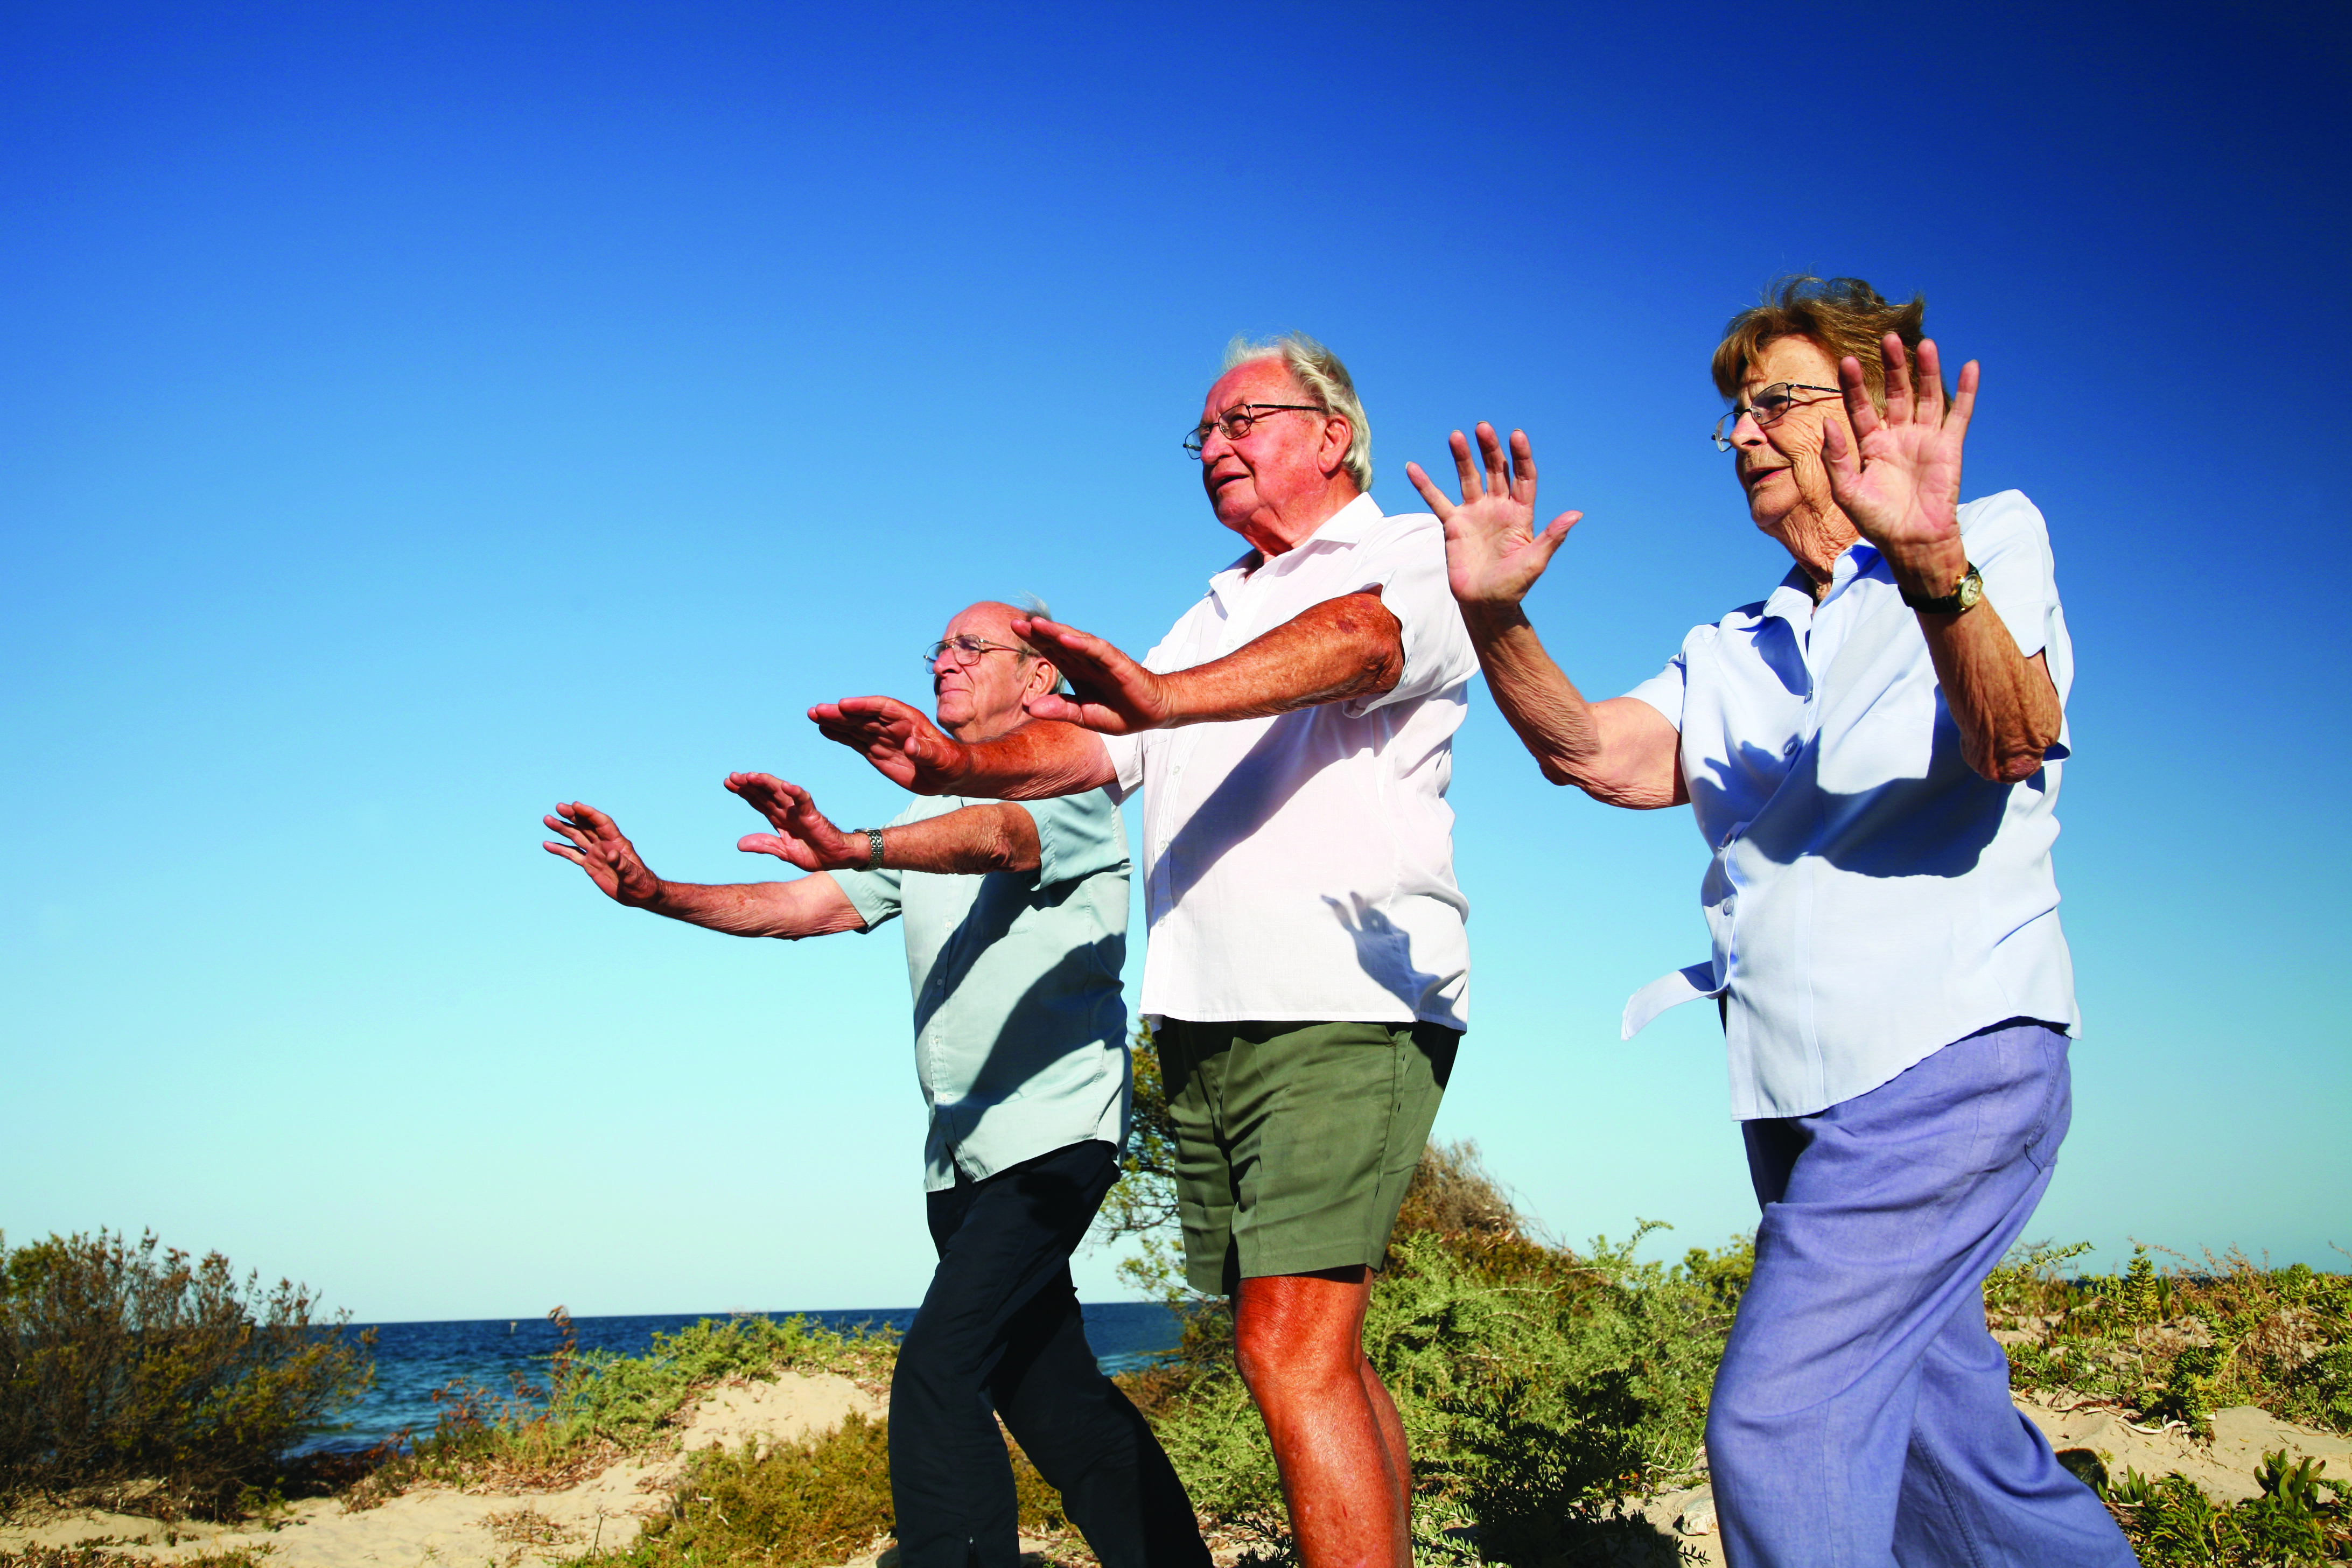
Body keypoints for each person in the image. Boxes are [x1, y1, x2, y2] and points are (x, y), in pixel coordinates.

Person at [1408, 277, 2134, 1565]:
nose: (1741, 436)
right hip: (1794, 1087)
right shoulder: (1733, 640)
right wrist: (1494, 616)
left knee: (1778, 1422)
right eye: (1733, 418)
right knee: (1942, 1445)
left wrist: (1931, 567)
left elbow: (2016, 736)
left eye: (1773, 405)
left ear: (1864, 400)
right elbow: (1594, 755)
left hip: (1951, 1049)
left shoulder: (1983, 535)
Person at [809, 334, 1477, 1568]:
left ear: (1334, 436)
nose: (1215, 446)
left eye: (1244, 421)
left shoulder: (1406, 553)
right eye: (1203, 434)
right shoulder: (1212, 607)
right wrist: (951, 760)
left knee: (1289, 1346)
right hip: (1210, 1017)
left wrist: (1164, 698)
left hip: (1344, 995)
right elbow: (1093, 749)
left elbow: (1361, 645)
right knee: (1309, 1346)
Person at [540, 599, 1209, 1568]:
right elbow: (802, 906)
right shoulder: (920, 817)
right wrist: (655, 894)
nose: (946, 660)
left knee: (939, 1371)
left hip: (1052, 1144)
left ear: (1037, 679)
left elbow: (1005, 841)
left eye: (972, 647)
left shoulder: (1065, 773)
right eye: (939, 646)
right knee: (1062, 1410)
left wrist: (862, 845)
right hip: (961, 1165)